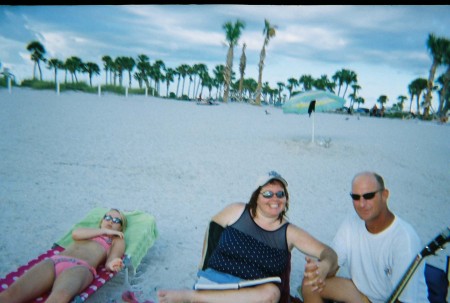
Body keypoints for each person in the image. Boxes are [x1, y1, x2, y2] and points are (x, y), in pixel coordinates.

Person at [158, 171, 338, 303]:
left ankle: (193, 299)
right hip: (216, 284)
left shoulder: (290, 232)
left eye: (280, 194)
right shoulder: (236, 211)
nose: (274, 199)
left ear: (286, 198)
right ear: (256, 197)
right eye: (267, 193)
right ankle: (191, 297)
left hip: (253, 294)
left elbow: (327, 252)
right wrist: (202, 266)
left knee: (271, 293)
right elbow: (212, 230)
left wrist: (325, 265)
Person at [301, 171, 428, 303]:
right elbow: (335, 259)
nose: (361, 204)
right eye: (356, 197)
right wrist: (324, 267)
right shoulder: (352, 222)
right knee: (311, 283)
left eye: (368, 196)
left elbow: (405, 300)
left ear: (384, 195)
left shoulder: (404, 240)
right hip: (364, 296)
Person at [0, 208, 127, 303]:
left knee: (59, 298)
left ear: (121, 227)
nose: (110, 221)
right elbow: (76, 234)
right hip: (54, 261)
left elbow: (111, 260)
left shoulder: (117, 239)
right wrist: (104, 231)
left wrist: (113, 264)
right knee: (10, 295)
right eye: (107, 217)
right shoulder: (89, 231)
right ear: (101, 220)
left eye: (116, 220)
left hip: (80, 267)